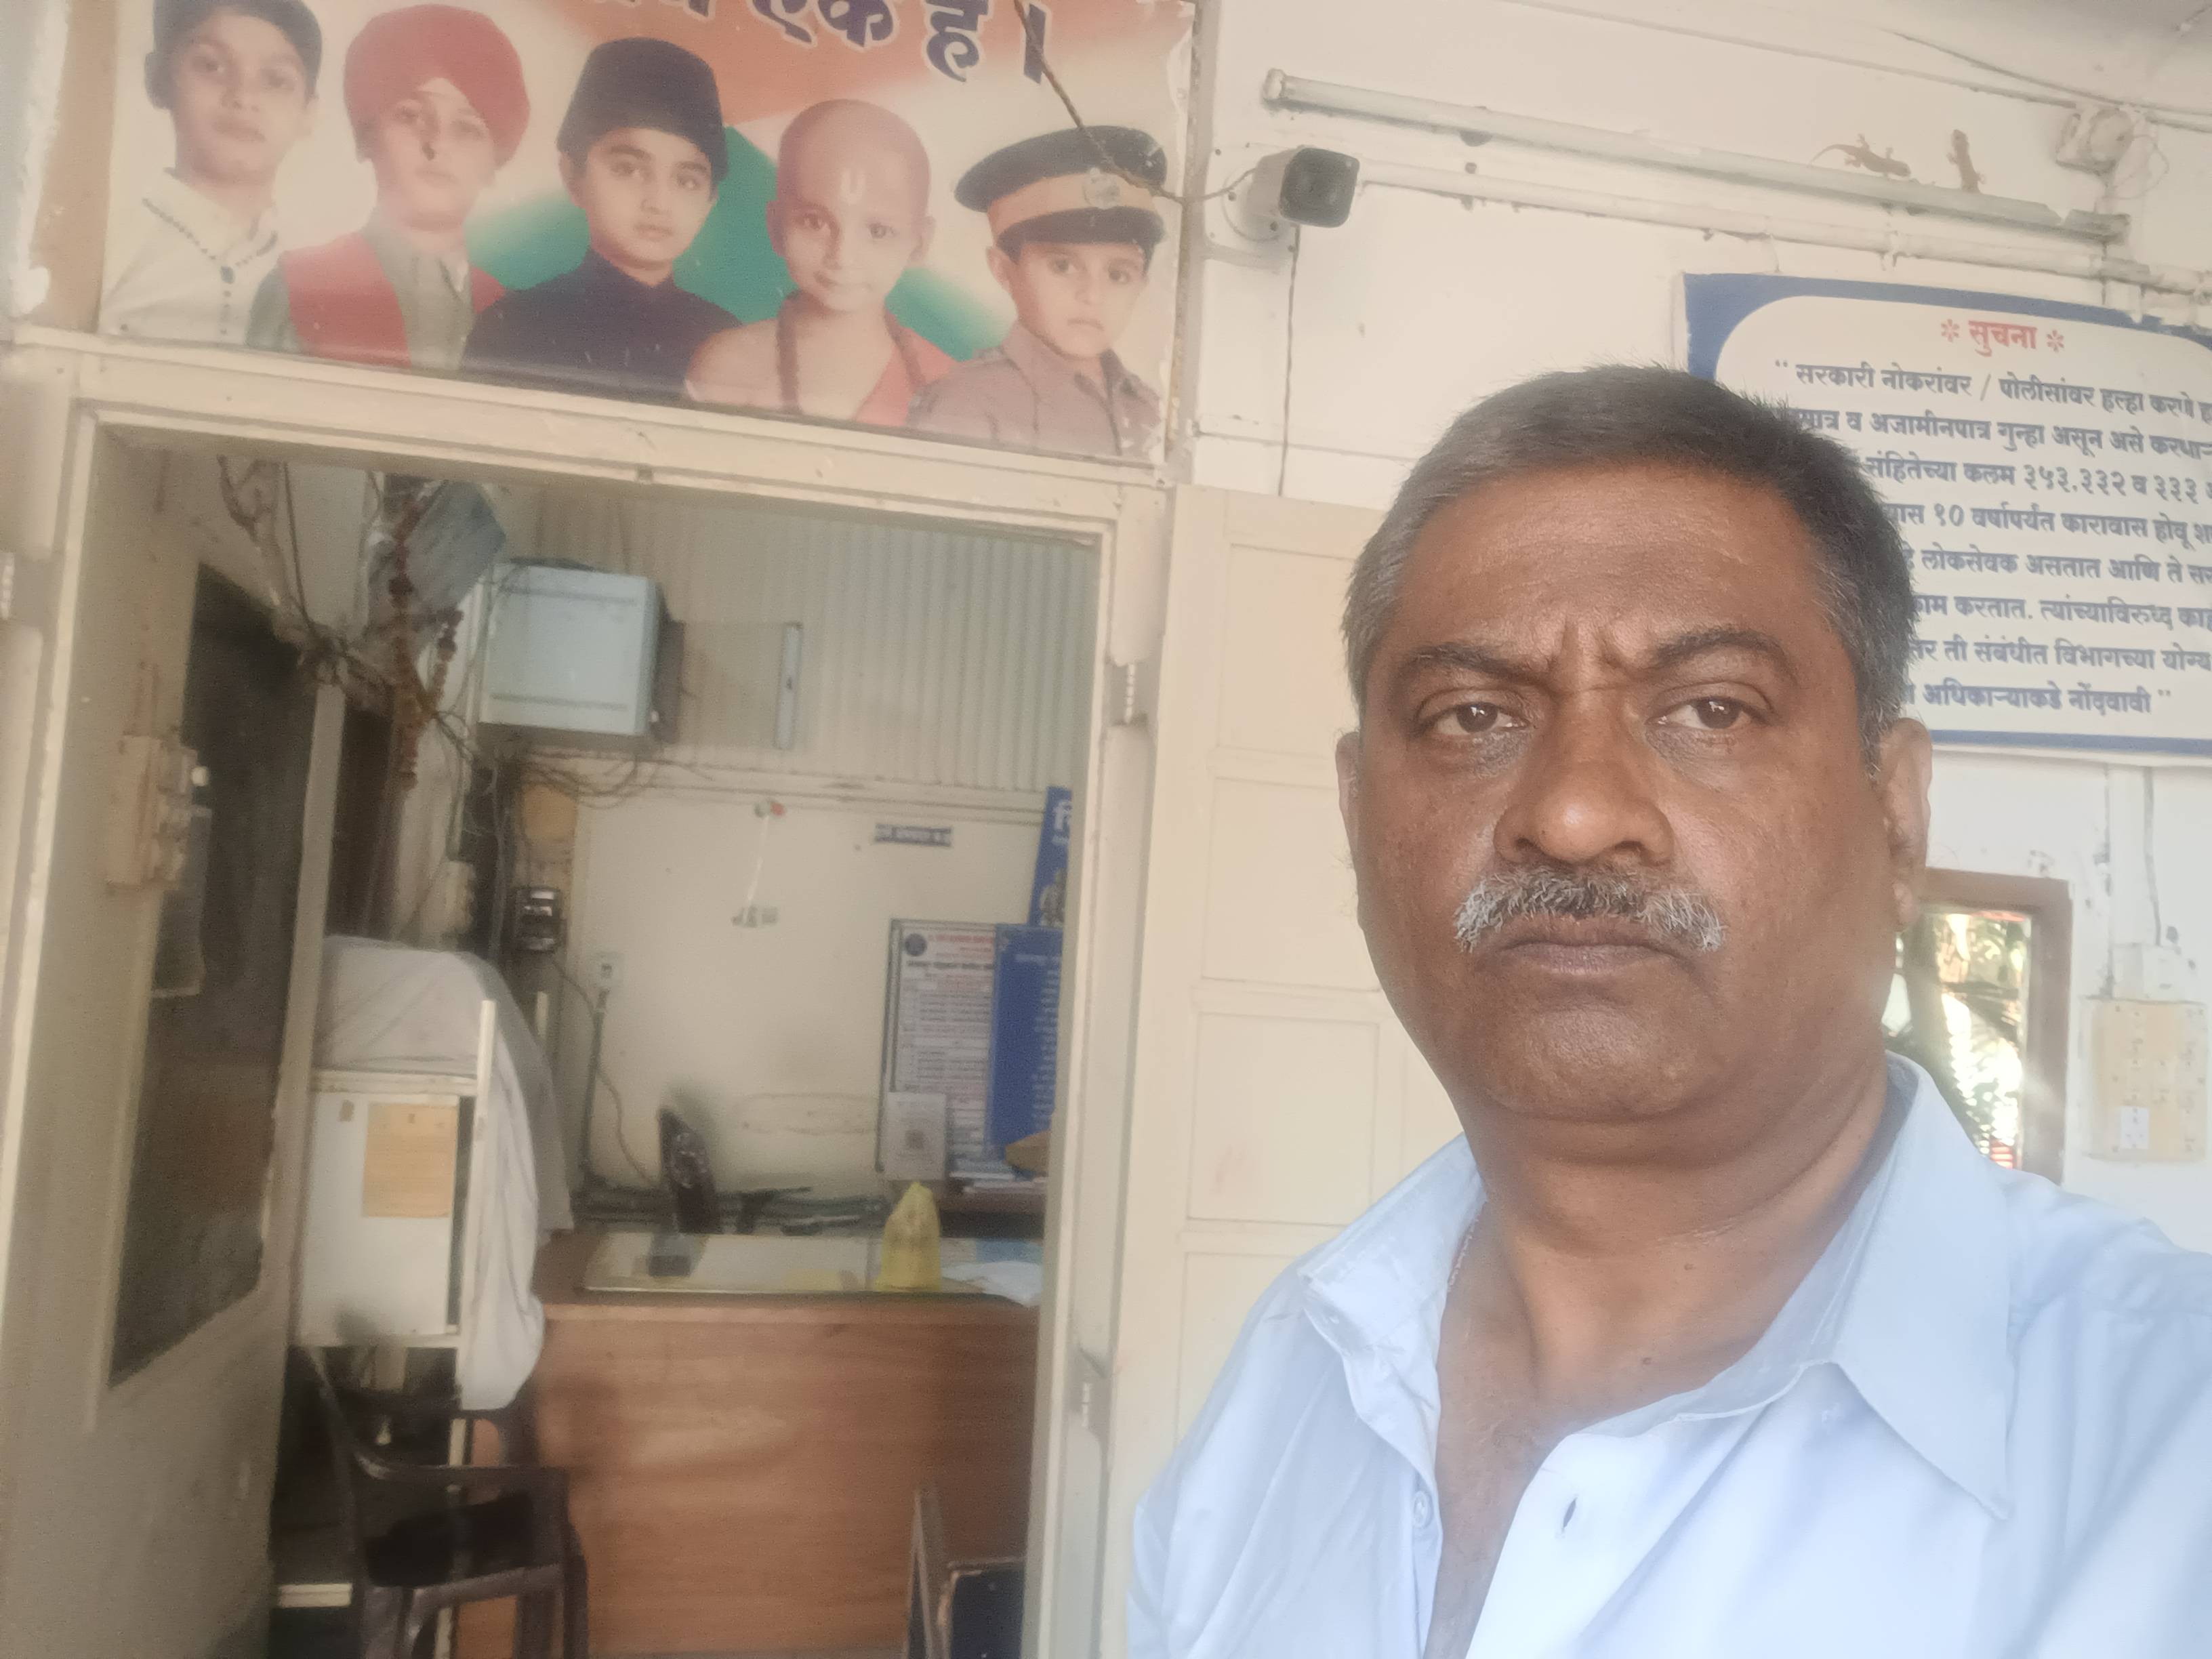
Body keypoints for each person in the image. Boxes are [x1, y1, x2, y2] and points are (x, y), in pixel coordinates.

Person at [1130, 367, 2212, 1658]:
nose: (1573, 813)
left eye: (1710, 709)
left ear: (1894, 812)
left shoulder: (2164, 1448)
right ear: (1357, 815)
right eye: (1470, 715)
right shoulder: (1286, 1386)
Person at [247, 3, 526, 371]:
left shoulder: (517, 312)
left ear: (495, 161)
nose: (436, 144)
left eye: (467, 128)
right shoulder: (299, 288)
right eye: (410, 116)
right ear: (366, 138)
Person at [462, 37, 736, 403]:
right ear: (573, 176)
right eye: (628, 169)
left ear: (710, 201)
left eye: (687, 181)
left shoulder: (729, 343)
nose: (658, 203)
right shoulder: (513, 327)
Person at [685, 98, 949, 426]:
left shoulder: (949, 385)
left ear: (919, 244)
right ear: (776, 227)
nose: (842, 256)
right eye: (815, 222)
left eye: (878, 231)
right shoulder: (728, 367)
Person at [907, 125, 1164, 459]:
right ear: (1004, 270)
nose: (1092, 295)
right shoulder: (966, 404)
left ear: (1141, 286)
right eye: (1063, 266)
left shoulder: (1149, 410)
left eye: (1118, 275)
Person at [102, 0, 322, 345]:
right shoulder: (103, 249)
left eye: (276, 80)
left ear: (308, 112)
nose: (243, 97)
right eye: (211, 66)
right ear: (158, 78)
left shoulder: (322, 274)